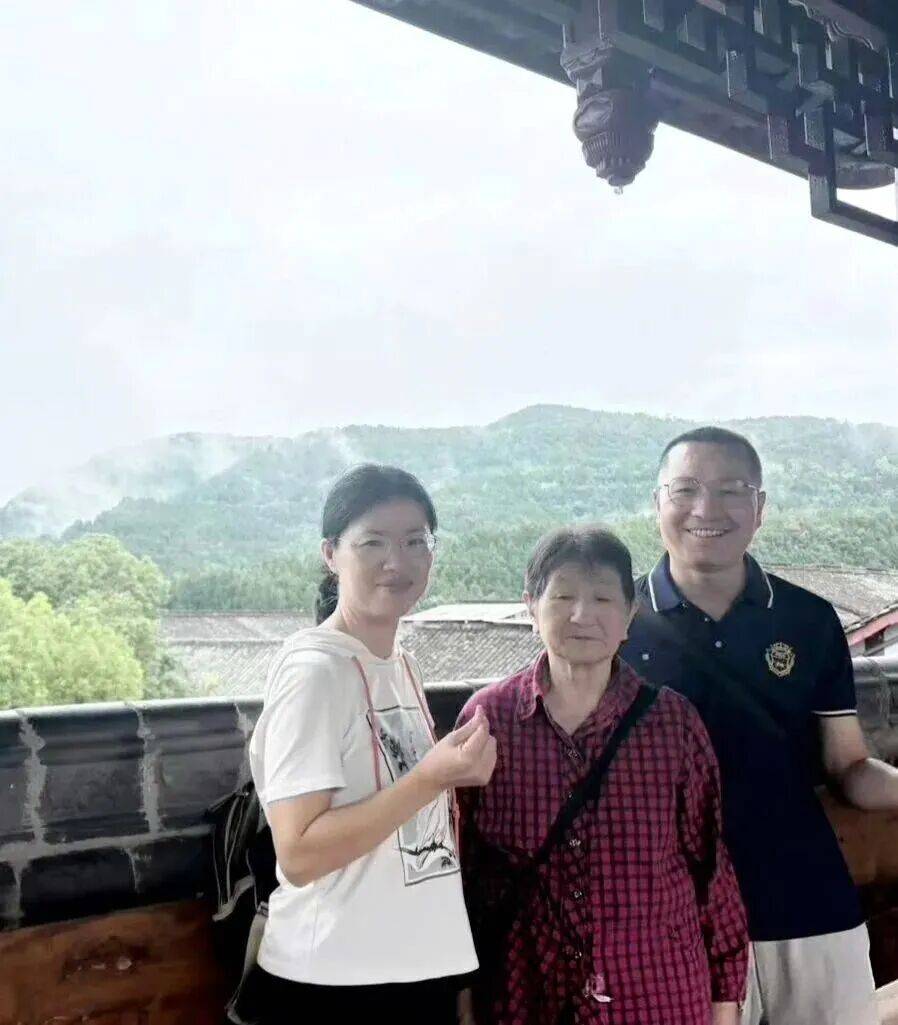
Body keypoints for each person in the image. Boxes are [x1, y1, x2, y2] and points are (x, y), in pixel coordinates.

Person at [622, 426, 898, 1025]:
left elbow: (849, 765)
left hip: (809, 903)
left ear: (760, 507)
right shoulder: (618, 624)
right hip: (672, 919)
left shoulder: (808, 619)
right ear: (657, 503)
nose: (706, 509)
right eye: (686, 489)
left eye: (730, 490)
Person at [457, 526, 748, 1025]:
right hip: (525, 995)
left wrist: (725, 1000)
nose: (582, 615)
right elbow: (463, 871)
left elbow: (711, 868)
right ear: (531, 607)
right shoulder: (490, 720)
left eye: (602, 598)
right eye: (563, 596)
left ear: (630, 614)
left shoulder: (673, 724)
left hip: (657, 996)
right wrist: (462, 995)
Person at [247, 463, 497, 1023]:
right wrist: (430, 778)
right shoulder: (315, 672)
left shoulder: (399, 663)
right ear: (331, 554)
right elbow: (300, 854)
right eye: (373, 543)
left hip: (411, 973)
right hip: (334, 982)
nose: (396, 562)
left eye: (415, 542)